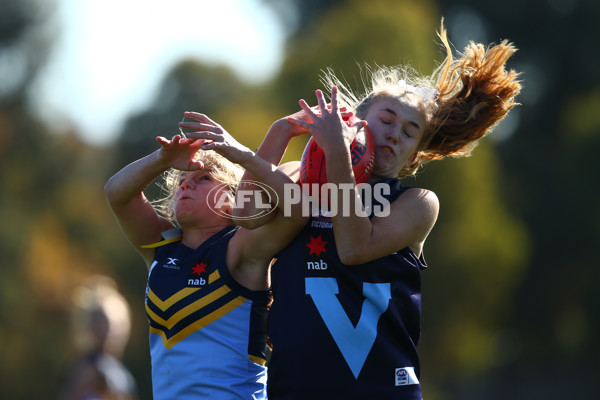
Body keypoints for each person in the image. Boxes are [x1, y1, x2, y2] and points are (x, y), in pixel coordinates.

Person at [189, 21, 521, 400]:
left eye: (410, 131)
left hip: (379, 390)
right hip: (294, 389)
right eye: (386, 120)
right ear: (356, 124)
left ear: (414, 157)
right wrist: (281, 130)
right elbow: (247, 215)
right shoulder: (299, 176)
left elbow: (353, 248)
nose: (396, 133)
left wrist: (336, 156)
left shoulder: (417, 203)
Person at [104, 127, 304, 399]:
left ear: (230, 199)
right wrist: (162, 159)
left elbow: (298, 211)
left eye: (203, 178)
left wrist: (275, 136)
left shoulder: (241, 246)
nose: (186, 185)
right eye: (182, 181)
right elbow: (117, 192)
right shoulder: (161, 247)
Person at [60, 275, 138, 400]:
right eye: (105, 323)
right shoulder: (87, 370)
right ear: (90, 323)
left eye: (119, 323)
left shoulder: (118, 371)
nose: (114, 330)